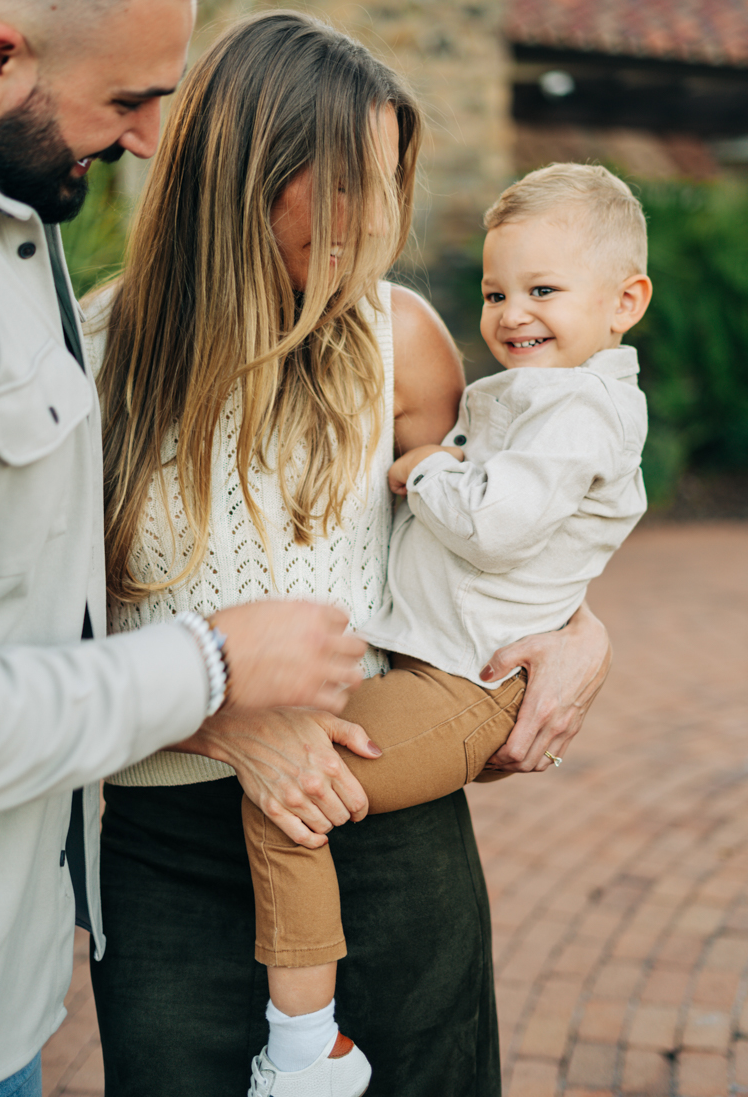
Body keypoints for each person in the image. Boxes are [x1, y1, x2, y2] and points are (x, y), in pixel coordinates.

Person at [87, 11, 612, 1097]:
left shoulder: (402, 339)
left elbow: (495, 528)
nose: (375, 220)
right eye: (343, 183)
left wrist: (579, 631)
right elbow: (29, 647)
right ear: (239, 174)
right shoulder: (91, 360)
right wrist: (216, 715)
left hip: (385, 835)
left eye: (388, 181)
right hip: (171, 853)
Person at [0, 0, 367, 1097]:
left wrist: (553, 605)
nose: (141, 137)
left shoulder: (11, 220)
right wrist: (217, 668)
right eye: (126, 99)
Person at [242, 162, 653, 1095]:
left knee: (292, 797)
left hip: (460, 684)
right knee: (302, 783)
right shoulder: (543, 392)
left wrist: (423, 468)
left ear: (626, 300)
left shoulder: (575, 409)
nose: (512, 313)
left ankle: (306, 1053)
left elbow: (499, 525)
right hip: (435, 667)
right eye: (497, 291)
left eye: (543, 291)